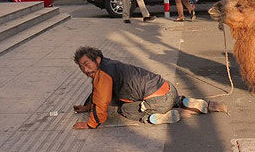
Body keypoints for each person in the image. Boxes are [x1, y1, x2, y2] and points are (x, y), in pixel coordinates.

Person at [72, 46, 226, 129]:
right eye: (81, 67)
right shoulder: (111, 65)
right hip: (169, 89)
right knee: (162, 97)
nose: (85, 70)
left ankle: (161, 116)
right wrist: (87, 107)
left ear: (97, 59)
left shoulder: (103, 74)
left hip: (158, 100)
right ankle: (188, 102)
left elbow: (102, 100)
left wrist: (91, 124)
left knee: (124, 109)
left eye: (87, 64)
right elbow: (98, 93)